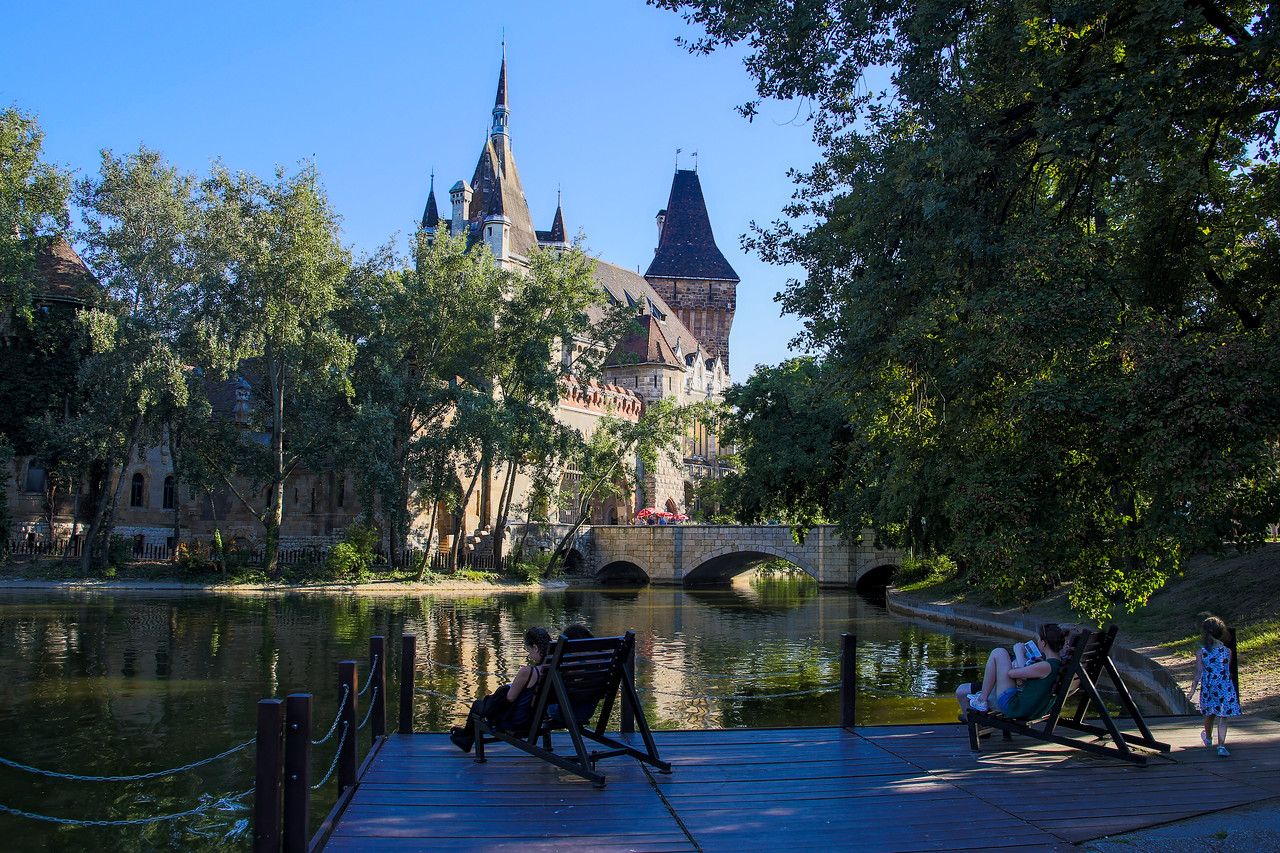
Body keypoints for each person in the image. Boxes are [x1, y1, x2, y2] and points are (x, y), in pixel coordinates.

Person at [449, 626, 552, 753]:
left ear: (535, 648)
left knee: (478, 705)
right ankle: (465, 737)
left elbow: (511, 697)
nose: (528, 654)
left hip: (519, 720)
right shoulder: (555, 670)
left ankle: (465, 738)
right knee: (485, 704)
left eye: (528, 650)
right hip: (540, 717)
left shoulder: (528, 672)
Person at [956, 623, 1068, 721]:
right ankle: (982, 698)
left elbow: (1011, 674)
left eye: (1039, 639)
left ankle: (982, 700)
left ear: (1043, 643)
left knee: (999, 653)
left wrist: (1018, 651)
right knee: (1007, 660)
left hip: (1016, 708)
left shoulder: (1046, 666)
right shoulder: (1056, 664)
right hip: (1033, 709)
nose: (1037, 641)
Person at [1188, 615, 1241, 756]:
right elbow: (1226, 671)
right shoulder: (1227, 651)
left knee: (1209, 714)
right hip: (1225, 687)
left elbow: (1198, 672)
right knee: (1223, 717)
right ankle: (1221, 746)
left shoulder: (1202, 652)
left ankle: (1208, 737)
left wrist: (1192, 691)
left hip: (1209, 687)